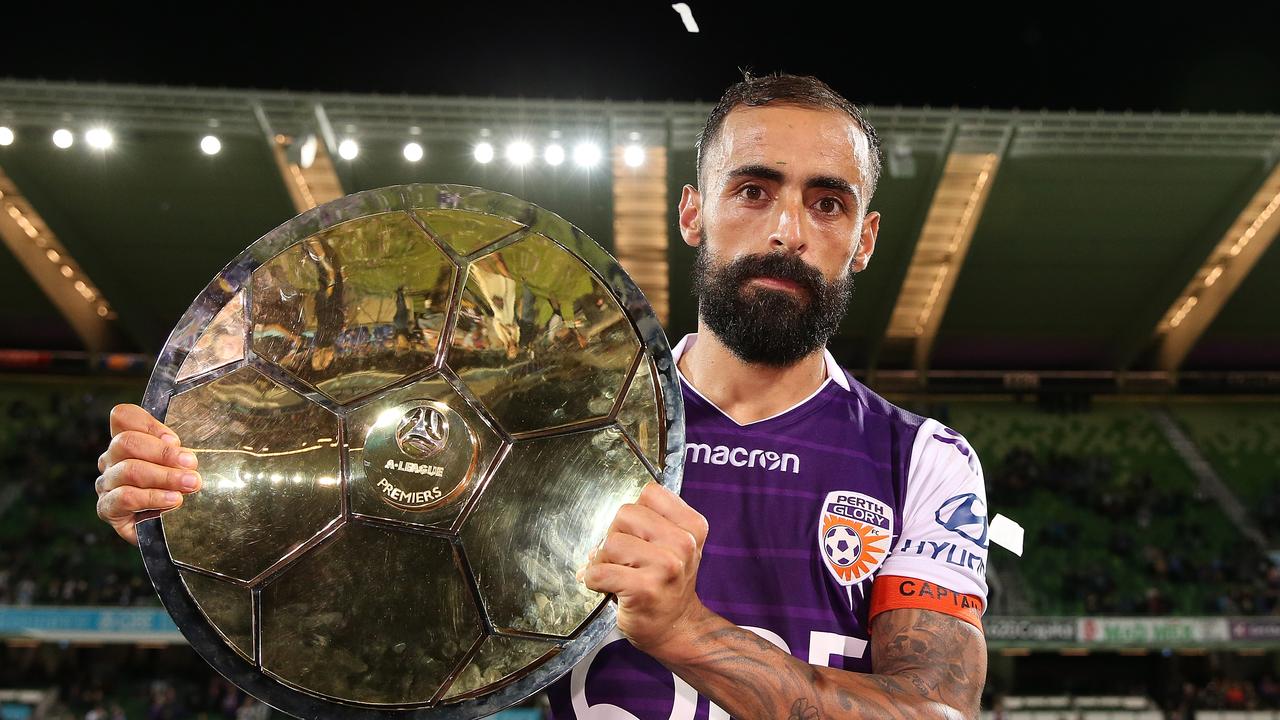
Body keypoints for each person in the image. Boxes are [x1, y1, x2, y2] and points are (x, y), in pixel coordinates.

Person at [96, 72, 991, 720]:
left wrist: (686, 633)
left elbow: (935, 715)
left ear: (866, 238)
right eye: (752, 190)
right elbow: (361, 615)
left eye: (827, 203)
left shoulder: (922, 459)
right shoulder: (541, 421)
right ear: (693, 213)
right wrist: (196, 499)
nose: (788, 229)